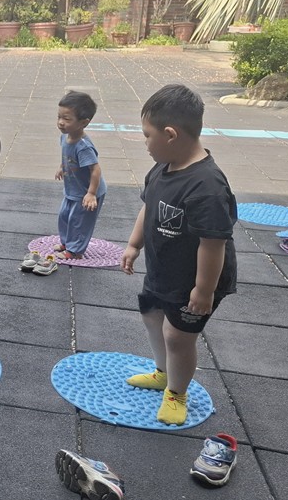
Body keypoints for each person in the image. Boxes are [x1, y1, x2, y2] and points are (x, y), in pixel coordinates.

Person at [120, 84, 237, 426]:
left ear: (170, 134)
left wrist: (203, 291)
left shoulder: (207, 186)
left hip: (196, 279)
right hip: (164, 270)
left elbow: (213, 244)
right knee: (152, 316)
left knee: (177, 336)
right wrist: (133, 244)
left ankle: (176, 393)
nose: (145, 143)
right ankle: (163, 373)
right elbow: (148, 207)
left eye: (148, 135)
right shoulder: (163, 167)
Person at [54, 91, 107, 259]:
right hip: (73, 189)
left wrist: (91, 194)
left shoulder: (83, 146)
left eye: (67, 119)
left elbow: (95, 170)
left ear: (84, 122)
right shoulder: (64, 137)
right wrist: (62, 167)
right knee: (64, 216)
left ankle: (75, 251)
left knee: (79, 221)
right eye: (59, 117)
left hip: (87, 191)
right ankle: (66, 243)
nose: (61, 122)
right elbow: (68, 156)